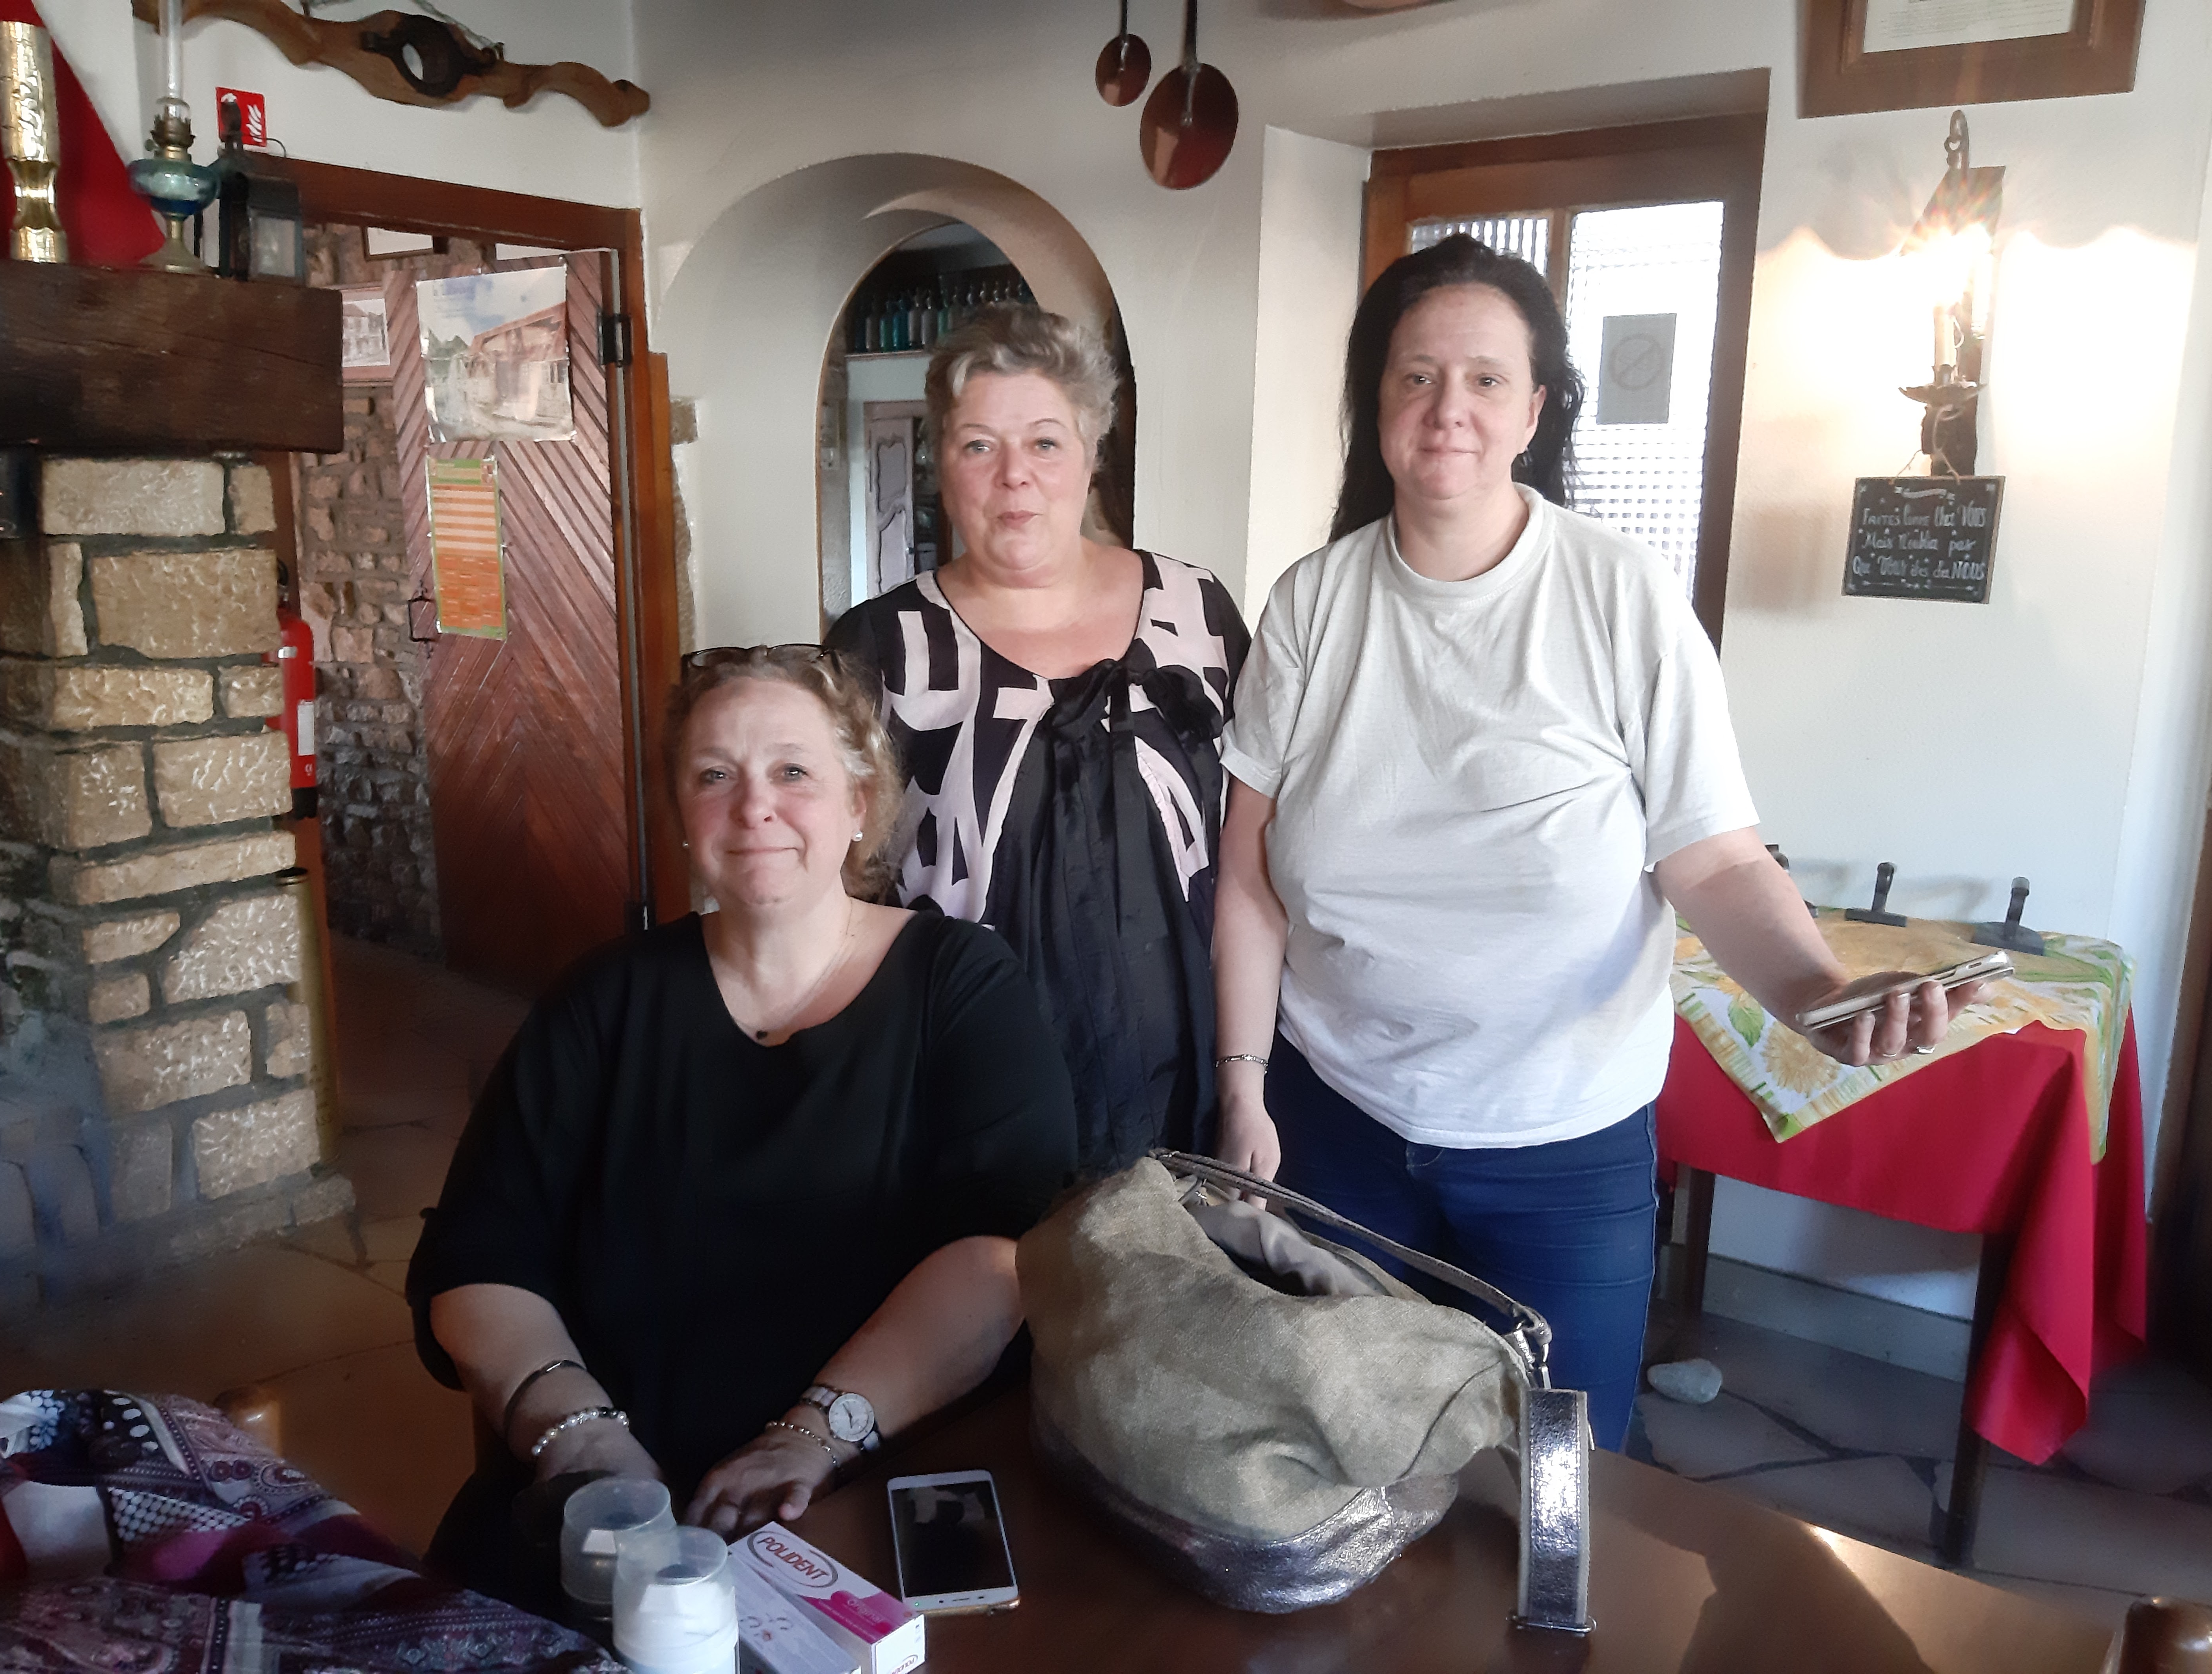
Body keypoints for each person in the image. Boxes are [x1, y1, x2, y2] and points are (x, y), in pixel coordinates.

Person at [1210, 235, 1982, 1449]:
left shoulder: (1623, 596)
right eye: (1416, 376)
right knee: (1340, 1450)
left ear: (1536, 409)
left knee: (1556, 1478)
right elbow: (1251, 879)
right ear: (1378, 404)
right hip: (1337, 1116)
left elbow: (1712, 859)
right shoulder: (1313, 602)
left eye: (1485, 379)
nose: (1448, 408)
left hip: (1559, 1147)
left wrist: (1815, 992)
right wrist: (1244, 1089)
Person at [407, 645, 1076, 1605]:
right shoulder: (602, 1000)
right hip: (613, 1501)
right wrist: (578, 1434)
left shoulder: (963, 986)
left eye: (792, 771)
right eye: (715, 776)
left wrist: (813, 1435)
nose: (754, 806)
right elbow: (477, 1253)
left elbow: (1003, 1255)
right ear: (683, 814)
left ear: (859, 803)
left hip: (870, 1481)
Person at [828, 305, 1250, 1177]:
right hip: (964, 1086)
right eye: (979, 445)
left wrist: (1248, 1079)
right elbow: (841, 887)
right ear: (941, 462)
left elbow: (1254, 851)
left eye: (1046, 443)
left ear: (1092, 453)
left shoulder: (1198, 613)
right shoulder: (881, 646)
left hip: (1192, 1081)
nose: (1014, 475)